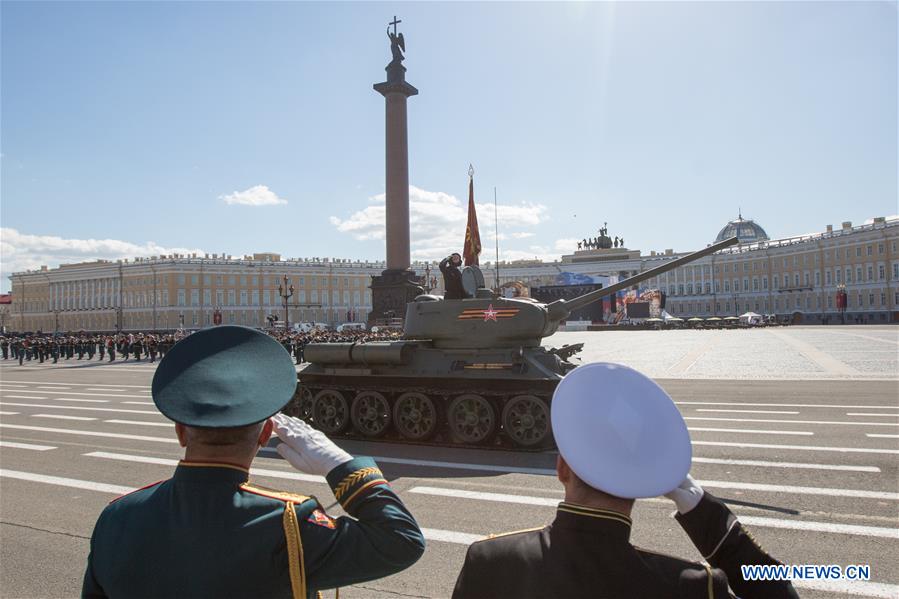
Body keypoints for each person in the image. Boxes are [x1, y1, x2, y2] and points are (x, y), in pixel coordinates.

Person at [82, 325, 424, 599]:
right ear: (264, 438)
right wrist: (340, 464)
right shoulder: (288, 524)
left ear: (180, 432)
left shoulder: (117, 517)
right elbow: (402, 540)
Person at [453, 362, 798, 599]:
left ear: (562, 469)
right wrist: (706, 517)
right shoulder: (691, 587)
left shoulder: (491, 561)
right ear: (641, 486)